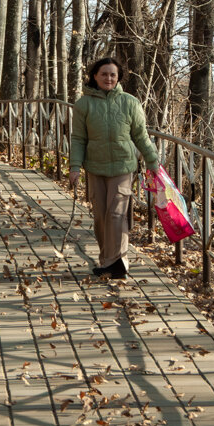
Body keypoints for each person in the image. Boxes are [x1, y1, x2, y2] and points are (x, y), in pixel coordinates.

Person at [68, 56, 159, 279]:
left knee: (116, 214)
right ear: (95, 76)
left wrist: (152, 161)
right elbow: (78, 138)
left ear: (118, 78)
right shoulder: (83, 105)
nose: (108, 78)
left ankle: (118, 263)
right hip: (95, 167)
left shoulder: (130, 103)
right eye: (104, 74)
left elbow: (140, 135)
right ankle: (106, 260)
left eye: (113, 75)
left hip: (122, 166)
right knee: (101, 217)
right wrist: (75, 166)